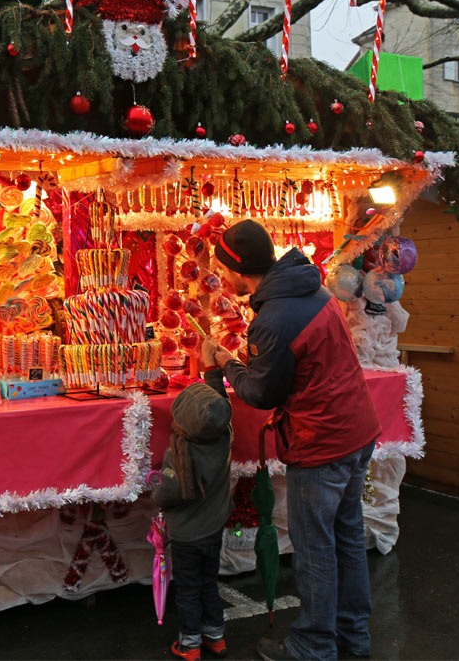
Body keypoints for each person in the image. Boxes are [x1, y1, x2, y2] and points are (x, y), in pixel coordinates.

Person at [202, 219, 380, 661]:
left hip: (322, 441)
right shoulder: (312, 290)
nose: (221, 276)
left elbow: (263, 394)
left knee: (316, 547)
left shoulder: (275, 318)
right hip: (356, 429)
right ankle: (353, 634)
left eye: (222, 268)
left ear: (238, 269)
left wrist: (226, 364)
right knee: (346, 535)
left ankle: (313, 644)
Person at [152, 378, 233, 661]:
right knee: (209, 582)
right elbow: (222, 409)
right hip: (214, 528)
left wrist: (156, 493)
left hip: (186, 535)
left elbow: (169, 493)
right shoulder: (224, 437)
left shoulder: (178, 453)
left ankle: (190, 644)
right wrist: (214, 375)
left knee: (188, 588)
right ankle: (215, 637)